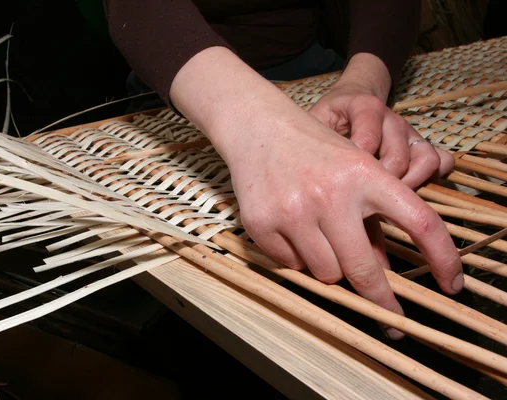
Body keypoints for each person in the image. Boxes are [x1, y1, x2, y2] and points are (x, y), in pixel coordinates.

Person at [103, 0, 463, 339]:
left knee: (414, 241)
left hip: (312, 68)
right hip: (176, 75)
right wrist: (258, 126)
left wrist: (361, 84)